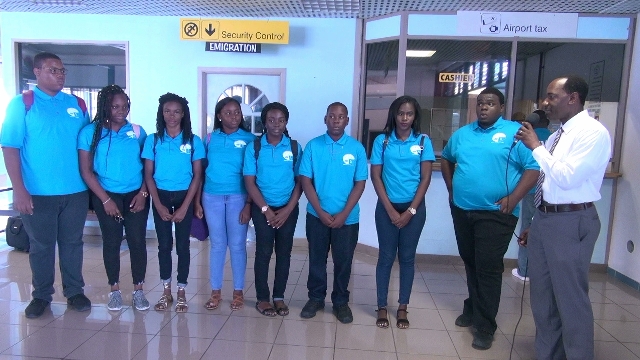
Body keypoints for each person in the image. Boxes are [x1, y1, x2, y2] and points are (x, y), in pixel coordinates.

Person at [516, 76, 611, 360]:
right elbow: (549, 184)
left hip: (572, 221)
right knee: (542, 299)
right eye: (545, 97)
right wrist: (536, 222)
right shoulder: (558, 134)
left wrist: (535, 146)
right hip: (547, 219)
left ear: (573, 98)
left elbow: (567, 178)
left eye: (552, 96)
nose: (545, 103)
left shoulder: (592, 133)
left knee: (570, 300)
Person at [440, 87, 539, 350]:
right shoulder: (463, 134)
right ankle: (472, 308)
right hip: (462, 209)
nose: (484, 107)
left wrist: (514, 198)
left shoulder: (514, 133)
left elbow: (533, 168)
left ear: (501, 107)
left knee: (488, 266)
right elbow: (447, 159)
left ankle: (485, 326)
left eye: (490, 103)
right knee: (471, 261)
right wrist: (451, 188)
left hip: (497, 213)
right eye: (481, 103)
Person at [1, 52, 92, 318]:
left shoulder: (77, 104)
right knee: (41, 246)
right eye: (54, 70)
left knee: (73, 243)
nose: (60, 75)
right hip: (37, 193)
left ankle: (74, 292)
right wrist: (19, 189)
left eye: (62, 71)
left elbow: (86, 145)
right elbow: (10, 147)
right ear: (37, 72)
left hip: (75, 190)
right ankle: (41, 296)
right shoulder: (23, 104)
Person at [77, 85, 151, 311]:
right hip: (106, 193)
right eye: (115, 106)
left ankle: (139, 291)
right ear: (105, 107)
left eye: (125, 106)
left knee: (138, 241)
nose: (121, 110)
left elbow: (149, 168)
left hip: (135, 194)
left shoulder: (138, 132)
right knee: (111, 242)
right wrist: (105, 200)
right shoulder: (90, 132)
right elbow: (86, 171)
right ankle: (115, 290)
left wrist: (143, 193)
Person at [298, 102, 368, 324]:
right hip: (316, 216)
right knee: (317, 260)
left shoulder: (356, 148)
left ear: (347, 120)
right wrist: (319, 211)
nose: (336, 120)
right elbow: (305, 181)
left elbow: (360, 184)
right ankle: (316, 298)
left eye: (341, 117)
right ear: (325, 119)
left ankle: (340, 302)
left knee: (343, 262)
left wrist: (345, 213)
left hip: (348, 219)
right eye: (332, 116)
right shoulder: (313, 146)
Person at [370, 96, 435, 329]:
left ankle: (402, 307)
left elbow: (426, 178)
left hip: (414, 208)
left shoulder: (423, 141)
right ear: (394, 115)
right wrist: (389, 208)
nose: (404, 118)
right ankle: (381, 307)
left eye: (409, 114)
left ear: (415, 116)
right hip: (386, 207)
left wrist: (411, 210)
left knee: (407, 259)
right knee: (386, 258)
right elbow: (375, 176)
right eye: (400, 113)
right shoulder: (382, 141)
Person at [142, 93, 204, 313]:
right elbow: (148, 174)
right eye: (167, 111)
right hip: (160, 196)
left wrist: (186, 206)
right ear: (161, 113)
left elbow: (197, 176)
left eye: (177, 111)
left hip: (183, 196)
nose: (172, 115)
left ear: (183, 114)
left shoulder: (193, 140)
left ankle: (181, 292)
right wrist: (157, 204)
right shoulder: (153, 139)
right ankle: (166, 291)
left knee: (183, 247)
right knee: (164, 246)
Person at [243, 102, 302, 317]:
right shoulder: (255, 147)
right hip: (262, 208)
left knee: (284, 253)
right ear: (264, 122)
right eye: (271, 120)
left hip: (288, 209)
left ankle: (279, 297)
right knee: (264, 253)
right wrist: (266, 209)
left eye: (281, 120)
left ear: (286, 122)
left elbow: (300, 182)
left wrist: (287, 210)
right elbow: (249, 182)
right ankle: (263, 298)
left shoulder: (294, 147)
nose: (276, 124)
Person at [197, 97, 255, 311]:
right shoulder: (210, 139)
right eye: (228, 112)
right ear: (219, 115)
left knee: (238, 245)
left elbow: (253, 175)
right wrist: (197, 202)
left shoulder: (250, 139)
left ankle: (238, 292)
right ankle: (216, 292)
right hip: (211, 197)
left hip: (238, 198)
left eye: (237, 112)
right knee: (218, 245)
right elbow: (200, 172)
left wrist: (249, 203)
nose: (234, 116)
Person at [512, 110, 551, 282]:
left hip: (531, 191)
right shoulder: (554, 137)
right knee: (546, 231)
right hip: (550, 194)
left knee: (528, 228)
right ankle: (543, 273)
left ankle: (524, 270)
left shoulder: (526, 138)